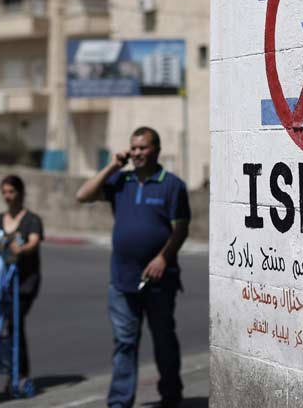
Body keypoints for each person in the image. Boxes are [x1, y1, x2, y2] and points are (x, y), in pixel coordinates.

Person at [76, 126, 190, 408]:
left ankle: (171, 396)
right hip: (122, 281)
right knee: (124, 344)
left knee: (164, 341)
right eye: (134, 148)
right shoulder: (120, 181)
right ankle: (119, 402)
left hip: (160, 281)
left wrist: (163, 257)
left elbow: (181, 229)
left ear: (157, 150)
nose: (138, 153)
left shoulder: (172, 185)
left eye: (143, 148)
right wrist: (113, 165)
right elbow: (83, 195)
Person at [0, 174, 43, 381]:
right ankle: (2, 364)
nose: (8, 196)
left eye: (12, 192)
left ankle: (20, 371)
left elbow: (34, 241)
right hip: (1, 281)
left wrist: (23, 248)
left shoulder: (32, 221)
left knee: (14, 322)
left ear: (21, 193)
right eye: (5, 193)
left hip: (24, 281)